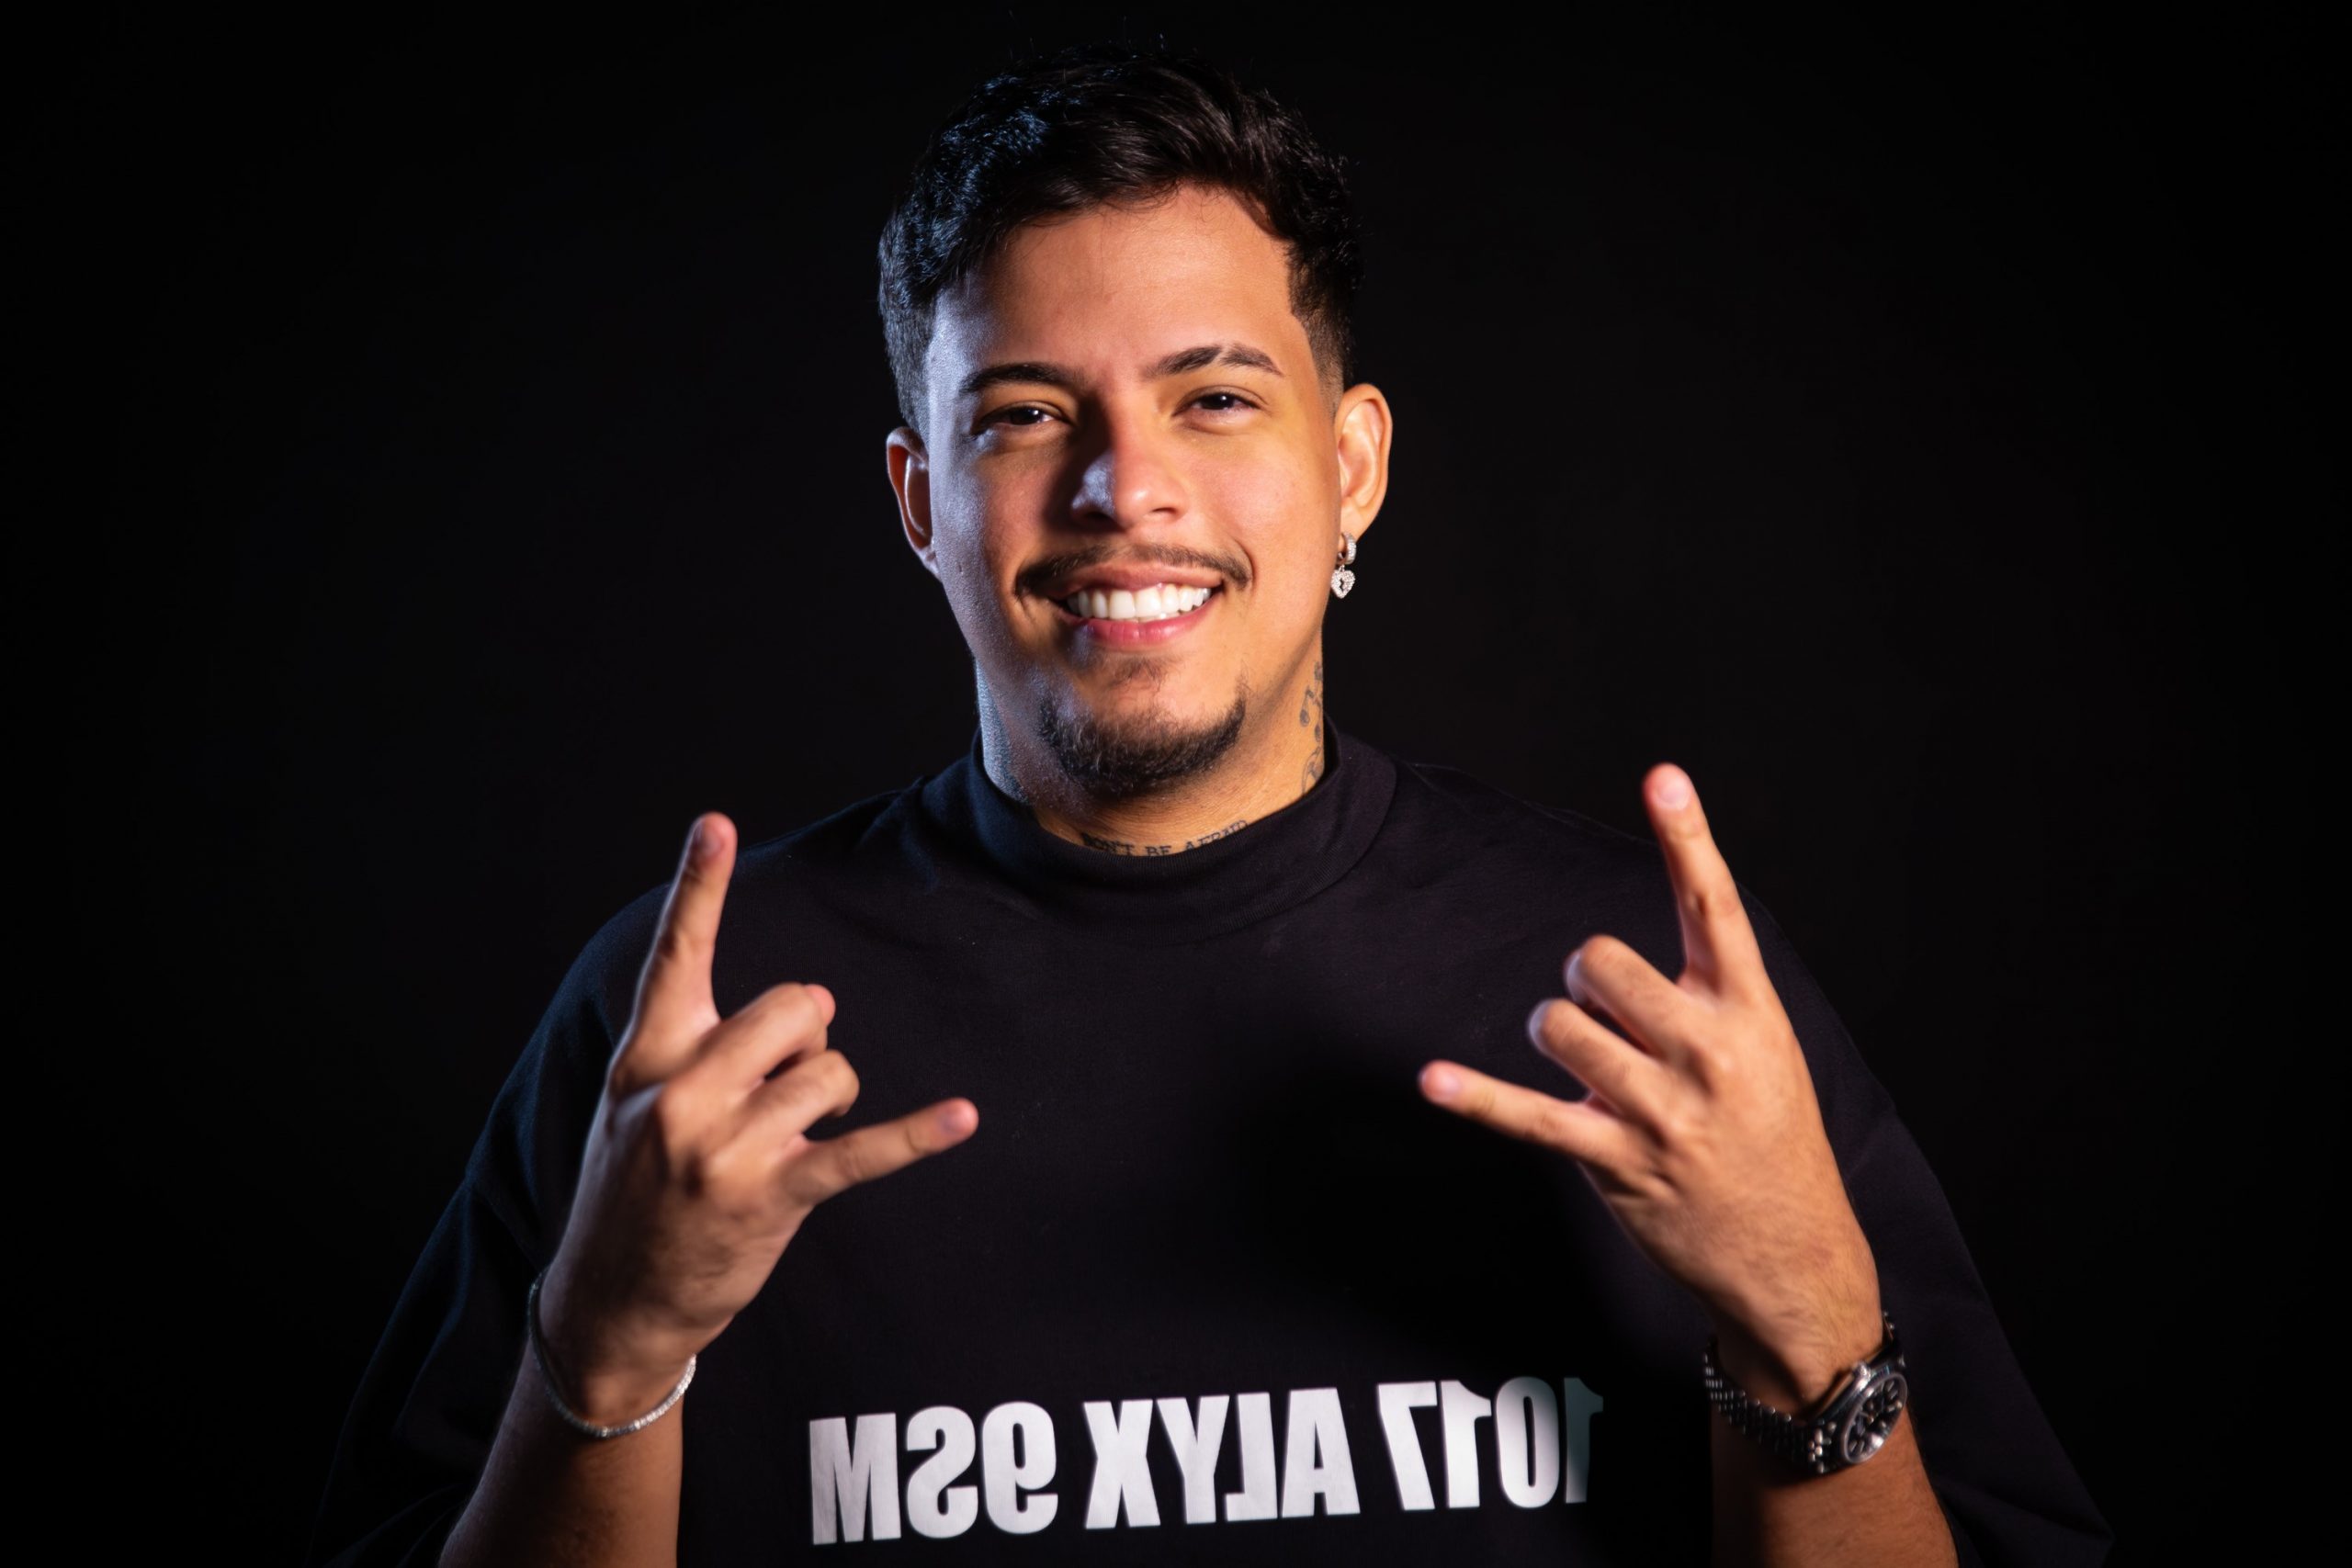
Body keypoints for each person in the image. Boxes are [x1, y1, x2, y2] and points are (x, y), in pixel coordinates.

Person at [309, 44, 2108, 1567]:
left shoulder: (1651, 994)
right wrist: (607, 1353)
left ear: (1351, 466)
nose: (1125, 487)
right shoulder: (689, 1035)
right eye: (1024, 415)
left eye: (1216, 397)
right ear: (921, 500)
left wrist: (1809, 1329)